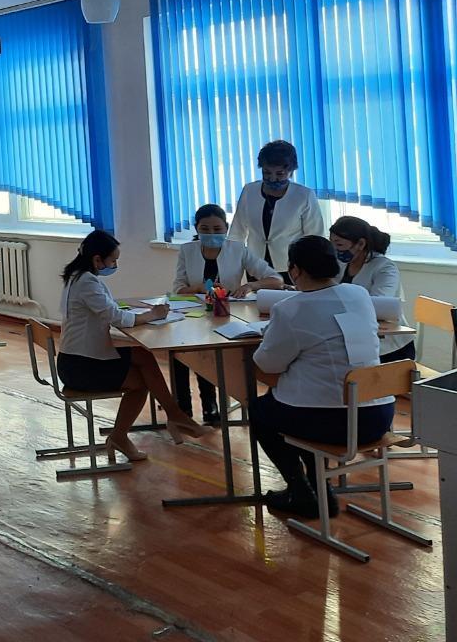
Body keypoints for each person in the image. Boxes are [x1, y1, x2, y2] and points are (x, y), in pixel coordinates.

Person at [249, 236, 394, 519]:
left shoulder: (290, 309)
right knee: (297, 403)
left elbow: (267, 364)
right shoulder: (359, 295)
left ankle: (301, 491)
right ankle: (320, 488)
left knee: (262, 410)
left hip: (332, 423)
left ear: (295, 270)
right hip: (377, 416)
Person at [58, 230, 205, 462]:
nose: (115, 265)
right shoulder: (86, 282)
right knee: (140, 383)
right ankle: (122, 435)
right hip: (81, 367)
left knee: (142, 356)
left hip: (78, 358)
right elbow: (115, 317)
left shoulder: (77, 276)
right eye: (113, 261)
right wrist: (152, 315)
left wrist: (142, 314)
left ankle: (175, 414)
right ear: (97, 260)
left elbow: (107, 310)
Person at [173, 203, 284, 422]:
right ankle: (182, 410)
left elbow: (276, 280)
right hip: (195, 315)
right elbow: (178, 289)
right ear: (196, 228)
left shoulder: (238, 249)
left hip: (226, 315)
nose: (211, 234)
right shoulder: (187, 250)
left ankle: (210, 406)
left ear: (226, 227)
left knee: (210, 355)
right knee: (180, 352)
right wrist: (199, 288)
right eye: (205, 229)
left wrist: (251, 285)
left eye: (217, 229)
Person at [228, 140, 326, 283]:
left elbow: (315, 236)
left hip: (292, 266)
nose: (273, 178)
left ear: (291, 171)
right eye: (267, 172)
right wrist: (231, 261)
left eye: (280, 173)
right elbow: (237, 230)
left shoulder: (304, 195)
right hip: (256, 265)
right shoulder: (249, 191)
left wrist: (310, 266)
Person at [330, 215, 412, 362]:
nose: (335, 250)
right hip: (354, 338)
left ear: (360, 244)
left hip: (389, 347)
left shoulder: (384, 267)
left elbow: (378, 304)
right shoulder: (341, 264)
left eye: (339, 245)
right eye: (332, 244)